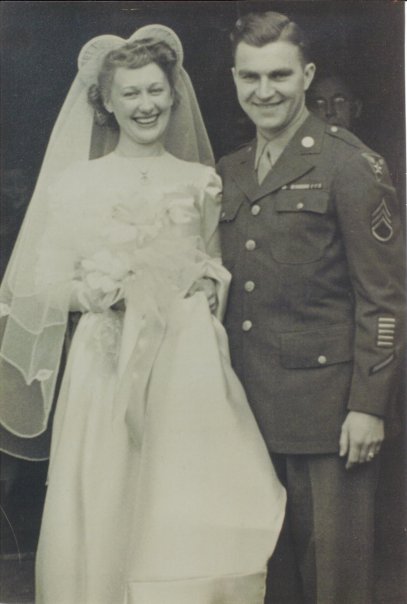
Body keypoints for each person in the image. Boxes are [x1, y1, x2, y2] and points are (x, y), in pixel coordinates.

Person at [0, 25, 285, 604]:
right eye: (130, 93)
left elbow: (215, 266)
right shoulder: (76, 184)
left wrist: (209, 286)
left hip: (184, 368)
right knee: (107, 489)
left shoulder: (201, 181)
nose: (145, 104)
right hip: (105, 366)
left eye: (155, 90)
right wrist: (101, 291)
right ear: (107, 102)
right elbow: (42, 286)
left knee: (180, 495)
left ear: (173, 95)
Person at [217, 11, 404, 604]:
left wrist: (368, 406)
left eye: (279, 75)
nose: (264, 91)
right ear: (235, 79)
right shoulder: (230, 171)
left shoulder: (349, 164)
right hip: (248, 412)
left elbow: (384, 298)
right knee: (267, 580)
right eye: (250, 77)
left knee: (335, 584)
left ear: (307, 76)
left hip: (329, 418)